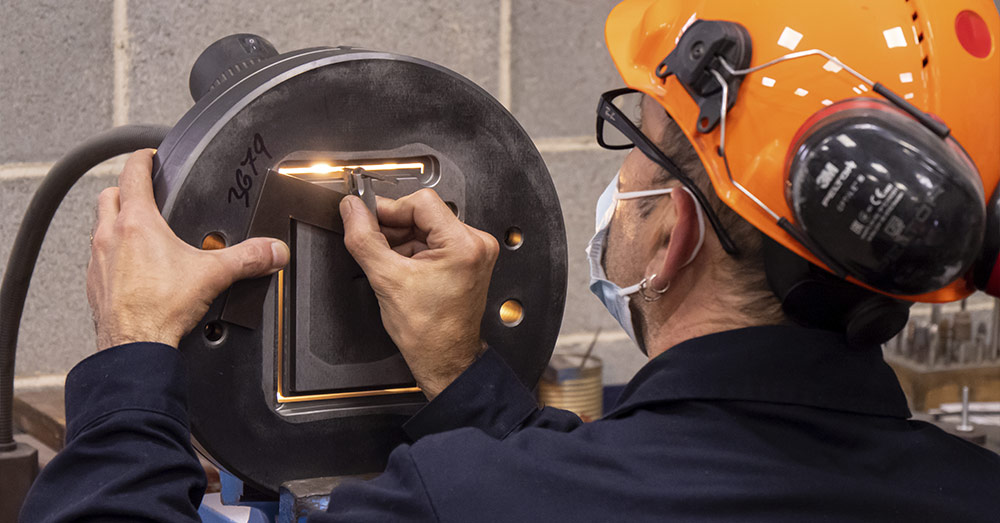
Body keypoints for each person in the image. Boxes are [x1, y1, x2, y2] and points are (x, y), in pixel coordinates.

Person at [20, 0, 1000, 521]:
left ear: (671, 230)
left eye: (642, 142)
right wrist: (464, 379)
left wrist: (132, 349)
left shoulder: (461, 504)